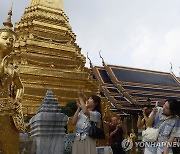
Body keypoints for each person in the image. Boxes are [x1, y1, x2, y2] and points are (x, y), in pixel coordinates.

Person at [0, 7, 25, 154]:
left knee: (10, 148)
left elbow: (20, 86)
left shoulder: (12, 68)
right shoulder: (6, 65)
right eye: (5, 38)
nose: (9, 42)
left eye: (12, 40)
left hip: (8, 112)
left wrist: (17, 100)